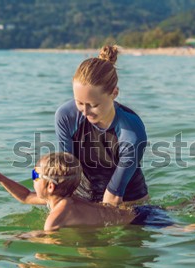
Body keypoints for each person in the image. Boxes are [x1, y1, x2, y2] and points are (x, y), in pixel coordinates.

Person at [0, 152, 195, 232]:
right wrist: (0, 178)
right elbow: (27, 196)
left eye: (34, 175)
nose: (32, 180)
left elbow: (47, 240)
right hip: (134, 212)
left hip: (139, 221)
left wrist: (22, 239)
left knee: (191, 229)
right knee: (182, 206)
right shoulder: (61, 201)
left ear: (50, 186)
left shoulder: (57, 214)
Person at [55, 45, 148, 207]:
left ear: (114, 93)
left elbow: (113, 197)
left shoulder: (131, 130)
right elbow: (67, 172)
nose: (85, 111)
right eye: (79, 103)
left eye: (93, 105)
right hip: (83, 194)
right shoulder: (66, 116)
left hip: (127, 200)